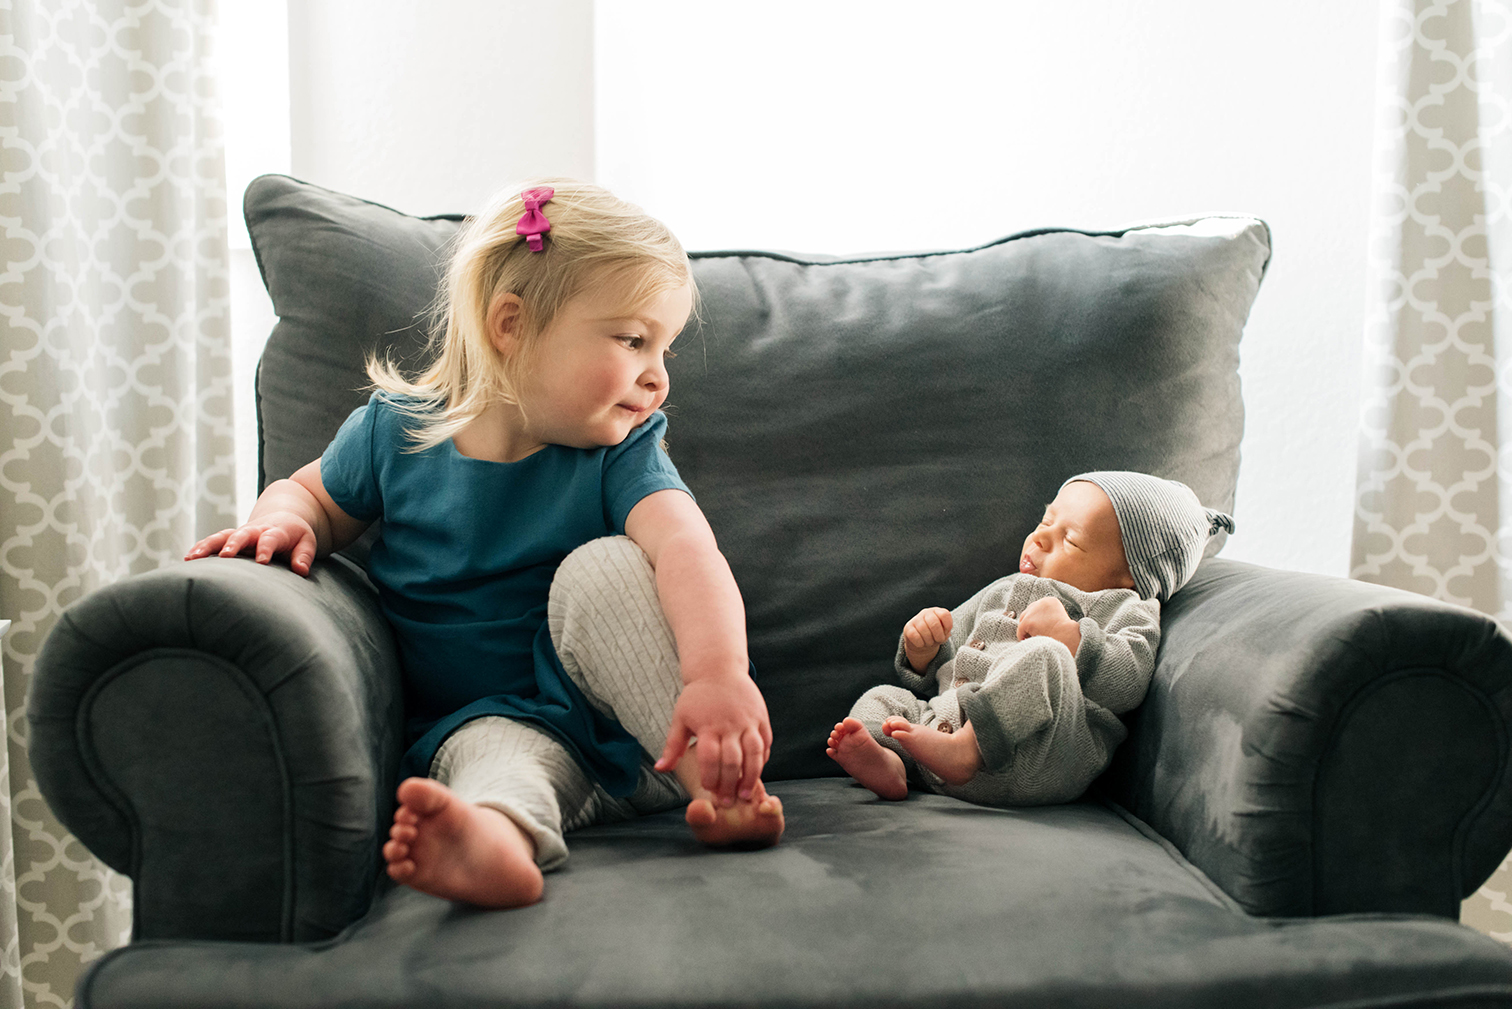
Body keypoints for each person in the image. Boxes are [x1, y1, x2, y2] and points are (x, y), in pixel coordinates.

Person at [187, 181, 783, 909]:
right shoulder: (393, 433)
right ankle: (493, 845)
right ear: (511, 324)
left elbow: (690, 547)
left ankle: (718, 789)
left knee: (609, 566)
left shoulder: (622, 451)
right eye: (634, 340)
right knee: (495, 764)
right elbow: (306, 493)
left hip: (641, 739)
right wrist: (284, 520)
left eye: (663, 347)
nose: (657, 376)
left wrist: (717, 674)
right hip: (492, 727)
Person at [826, 471, 1233, 808]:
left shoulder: (1127, 608)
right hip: (939, 735)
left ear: (1129, 577)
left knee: (1045, 654)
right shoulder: (1006, 588)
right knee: (883, 699)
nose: (1039, 539)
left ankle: (970, 749)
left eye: (1070, 540)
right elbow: (952, 654)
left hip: (1035, 759)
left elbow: (1128, 680)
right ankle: (892, 765)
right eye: (1044, 522)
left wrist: (1072, 638)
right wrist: (924, 651)